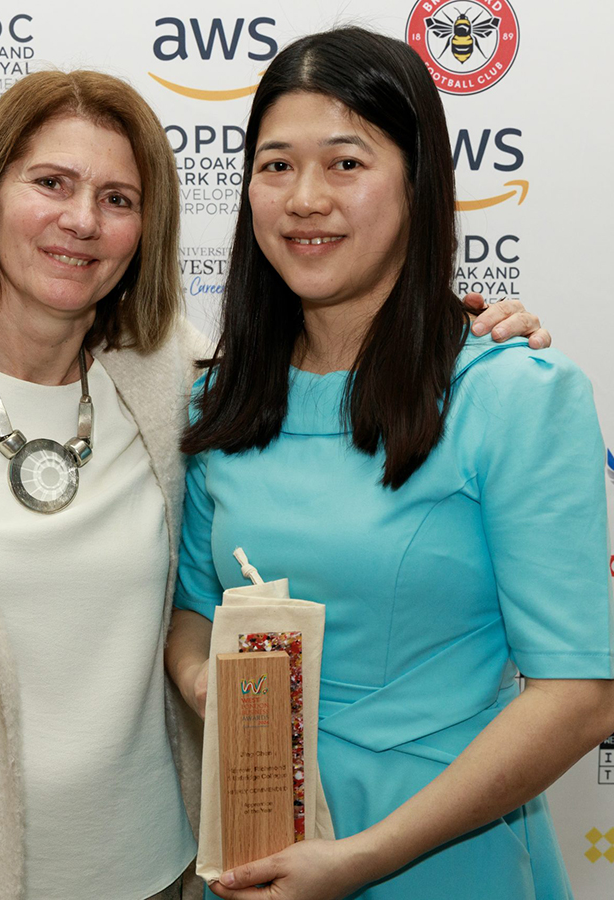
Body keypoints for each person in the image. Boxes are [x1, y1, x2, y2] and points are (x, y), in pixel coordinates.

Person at [0, 67, 545, 900]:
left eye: (118, 199)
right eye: (51, 183)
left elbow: (330, 370)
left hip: (150, 872)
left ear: (146, 230)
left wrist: (461, 334)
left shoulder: (168, 382)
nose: (82, 220)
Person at [165, 27, 613, 900]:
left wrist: (362, 859)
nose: (303, 199)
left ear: (418, 183)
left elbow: (580, 694)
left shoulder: (515, 393)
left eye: (345, 163)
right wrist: (212, 686)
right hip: (258, 846)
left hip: (439, 855)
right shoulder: (217, 402)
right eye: (275, 165)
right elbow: (191, 614)